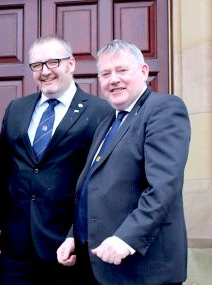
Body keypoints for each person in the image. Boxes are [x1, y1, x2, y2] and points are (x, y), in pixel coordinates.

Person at [57, 39, 191, 285]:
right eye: (105, 73)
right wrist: (75, 235)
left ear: (143, 72)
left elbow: (163, 188)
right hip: (100, 266)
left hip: (145, 270)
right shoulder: (107, 123)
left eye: (121, 70)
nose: (113, 79)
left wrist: (126, 238)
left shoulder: (163, 109)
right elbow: (93, 187)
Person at [0, 34, 112, 284]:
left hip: (67, 248)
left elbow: (100, 184)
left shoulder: (100, 112)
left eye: (53, 62)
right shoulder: (16, 109)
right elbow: (1, 172)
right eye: (37, 65)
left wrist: (78, 234)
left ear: (71, 64)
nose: (45, 72)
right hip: (16, 248)